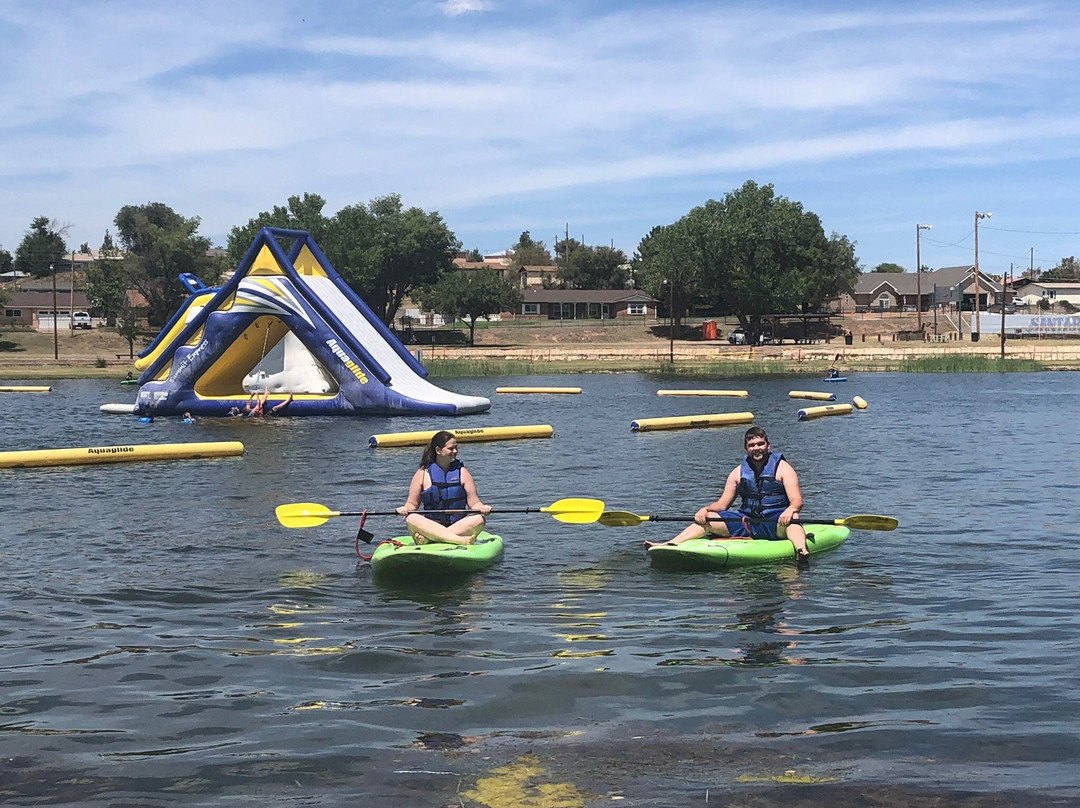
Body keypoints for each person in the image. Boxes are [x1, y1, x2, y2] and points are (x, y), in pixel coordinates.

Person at [644, 426, 809, 564]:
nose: (756, 448)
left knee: (793, 517)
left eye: (760, 444)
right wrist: (705, 509)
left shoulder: (783, 469)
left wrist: (789, 510)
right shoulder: (738, 472)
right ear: (746, 448)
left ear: (768, 445)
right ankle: (671, 544)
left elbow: (797, 501)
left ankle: (801, 549)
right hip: (747, 522)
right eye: (751, 445)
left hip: (775, 521)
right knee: (708, 518)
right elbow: (722, 504)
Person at [396, 430, 491, 545]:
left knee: (479, 519)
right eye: (451, 448)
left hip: (458, 525)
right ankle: (458, 540)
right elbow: (412, 504)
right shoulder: (422, 473)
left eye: (456, 448)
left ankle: (431, 539)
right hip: (432, 525)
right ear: (438, 450)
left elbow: (474, 502)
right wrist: (405, 509)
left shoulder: (462, 472)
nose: (455, 451)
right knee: (411, 518)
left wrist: (482, 508)